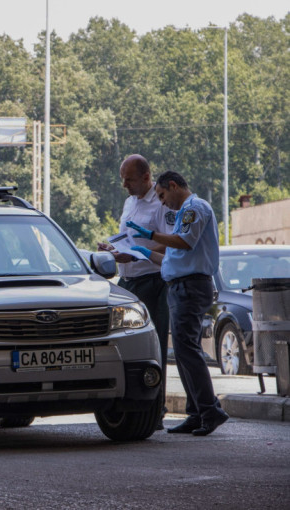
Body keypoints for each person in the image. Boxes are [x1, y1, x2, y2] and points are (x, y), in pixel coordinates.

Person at [127, 170, 229, 436]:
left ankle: (209, 411)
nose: (162, 202)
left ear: (173, 186)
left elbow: (183, 243)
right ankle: (196, 413)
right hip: (181, 286)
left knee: (187, 351)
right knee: (183, 353)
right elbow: (172, 258)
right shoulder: (184, 213)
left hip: (191, 286)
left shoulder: (194, 208)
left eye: (162, 195)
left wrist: (151, 234)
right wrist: (143, 252)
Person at [99, 154, 175, 430]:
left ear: (146, 177)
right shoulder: (130, 202)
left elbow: (170, 245)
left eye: (129, 179)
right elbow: (129, 239)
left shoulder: (161, 204)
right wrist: (114, 251)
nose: (124, 185)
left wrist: (137, 255)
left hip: (152, 282)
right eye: (122, 179)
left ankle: (156, 410)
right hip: (128, 282)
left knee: (152, 348)